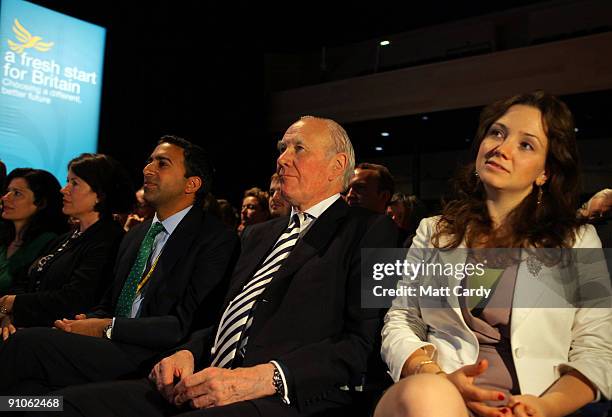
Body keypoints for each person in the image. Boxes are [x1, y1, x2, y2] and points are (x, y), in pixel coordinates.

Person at [40, 115, 398, 417]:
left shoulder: (373, 230)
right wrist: (188, 352)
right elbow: (225, 318)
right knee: (62, 405)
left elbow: (361, 344)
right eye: (282, 149)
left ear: (337, 166)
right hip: (206, 380)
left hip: (287, 394)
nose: (282, 159)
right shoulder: (257, 235)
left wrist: (263, 378)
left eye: (298, 149)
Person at [375, 91, 612, 417]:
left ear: (545, 172)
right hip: (437, 397)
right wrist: (439, 378)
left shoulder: (577, 240)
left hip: (529, 405)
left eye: (526, 144)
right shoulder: (434, 231)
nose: (501, 148)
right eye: (497, 133)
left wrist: (545, 407)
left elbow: (597, 350)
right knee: (425, 396)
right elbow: (402, 320)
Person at [0, 136, 239, 394]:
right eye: (149, 161)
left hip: (154, 354)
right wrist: (84, 321)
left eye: (162, 164)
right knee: (31, 388)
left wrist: (107, 327)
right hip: (109, 344)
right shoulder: (137, 235)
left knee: (26, 345)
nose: (148, 170)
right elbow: (109, 302)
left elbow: (186, 324)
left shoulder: (215, 239)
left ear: (191, 184)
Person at [0, 154, 133, 336]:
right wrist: (8, 313)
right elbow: (25, 281)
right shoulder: (66, 238)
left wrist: (13, 304)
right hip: (29, 326)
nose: (64, 190)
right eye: (67, 181)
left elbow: (76, 299)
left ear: (99, 194)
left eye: (74, 183)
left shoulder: (108, 239)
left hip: (59, 333)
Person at [0, 169, 67, 294]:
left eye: (17, 193)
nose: (5, 198)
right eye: (8, 191)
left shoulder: (49, 242)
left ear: (41, 203)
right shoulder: (4, 235)